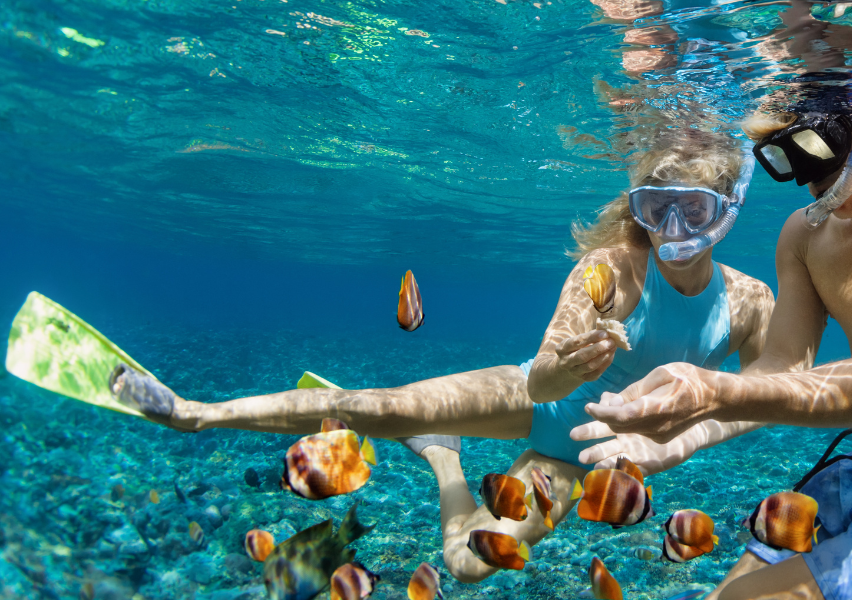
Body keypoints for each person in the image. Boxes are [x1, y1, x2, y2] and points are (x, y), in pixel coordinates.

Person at [109, 126, 775, 584]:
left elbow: (771, 393)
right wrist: (568, 365)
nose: (673, 230)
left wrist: (690, 429)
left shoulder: (750, 303)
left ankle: (441, 455)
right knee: (370, 408)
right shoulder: (611, 270)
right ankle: (195, 412)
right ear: (638, 209)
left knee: (468, 565)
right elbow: (543, 373)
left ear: (727, 212)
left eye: (693, 209)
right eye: (655, 209)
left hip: (578, 460)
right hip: (531, 398)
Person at [571, 77, 852, 600]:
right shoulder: (804, 236)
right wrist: (683, 436)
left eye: (823, 154)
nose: (814, 185)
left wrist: (714, 393)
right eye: (791, 165)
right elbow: (782, 366)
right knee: (728, 593)